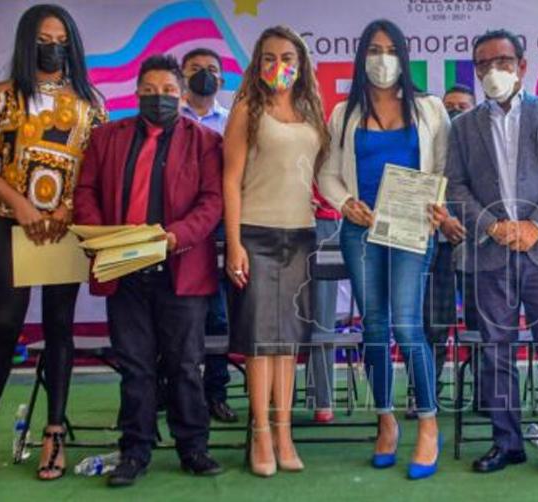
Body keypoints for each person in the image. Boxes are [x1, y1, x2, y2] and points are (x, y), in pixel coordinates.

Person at [74, 54, 224, 486]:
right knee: (135, 366)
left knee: (184, 364)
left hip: (181, 266)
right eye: (150, 91)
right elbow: (85, 191)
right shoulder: (107, 138)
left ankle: (193, 447)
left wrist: (177, 236)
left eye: (169, 92)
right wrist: (104, 238)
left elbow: (213, 201)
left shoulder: (205, 141)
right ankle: (135, 451)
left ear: (182, 95)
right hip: (124, 270)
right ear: (137, 93)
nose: (160, 98)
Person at [445, 29, 538, 478]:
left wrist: (536, 225)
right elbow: (455, 187)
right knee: (495, 352)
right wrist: (492, 226)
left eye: (503, 61)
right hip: (491, 251)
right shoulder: (463, 126)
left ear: (522, 66)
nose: (494, 70)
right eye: (484, 64)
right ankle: (506, 442)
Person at [317, 19, 449, 480]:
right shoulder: (344, 112)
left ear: (404, 56)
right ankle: (386, 421)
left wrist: (438, 205)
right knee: (374, 327)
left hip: (412, 228)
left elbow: (445, 168)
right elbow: (327, 173)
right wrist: (344, 203)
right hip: (361, 231)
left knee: (408, 326)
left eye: (391, 50)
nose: (382, 59)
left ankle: (428, 424)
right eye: (374, 50)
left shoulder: (430, 108)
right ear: (361, 57)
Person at [0, 4, 105, 481]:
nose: (53, 48)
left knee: (60, 326)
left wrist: (68, 209)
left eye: (61, 41)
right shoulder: (4, 97)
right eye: (44, 40)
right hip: (9, 222)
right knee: (5, 321)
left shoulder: (90, 104)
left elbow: (96, 168)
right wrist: (19, 203)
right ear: (27, 42)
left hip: (64, 228)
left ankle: (54, 432)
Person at [223, 26, 329, 477]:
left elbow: (316, 174)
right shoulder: (247, 109)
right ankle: (261, 433)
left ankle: (285, 433)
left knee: (288, 342)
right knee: (260, 342)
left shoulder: (311, 112)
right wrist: (234, 244)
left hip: (301, 235)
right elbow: (230, 180)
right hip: (256, 235)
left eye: (287, 58)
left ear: (301, 64)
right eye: (269, 58)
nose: (278, 66)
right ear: (257, 63)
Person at [404, 84, 475, 420]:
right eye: (449, 106)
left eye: (462, 106)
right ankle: (424, 394)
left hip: (479, 244)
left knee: (483, 323)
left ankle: (487, 393)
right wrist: (443, 220)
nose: (454, 111)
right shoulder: (428, 141)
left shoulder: (482, 142)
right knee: (432, 323)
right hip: (437, 244)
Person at [179, 47, 236, 424]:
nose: (204, 75)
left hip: (218, 227)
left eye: (211, 69)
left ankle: (216, 393)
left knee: (218, 314)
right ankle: (170, 390)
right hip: (176, 227)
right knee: (173, 313)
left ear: (222, 79)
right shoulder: (169, 117)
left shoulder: (232, 123)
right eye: (196, 69)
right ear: (182, 76)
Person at [306, 185, 341, 425]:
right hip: (283, 220)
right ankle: (279, 400)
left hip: (327, 220)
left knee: (323, 318)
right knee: (282, 317)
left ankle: (322, 399)